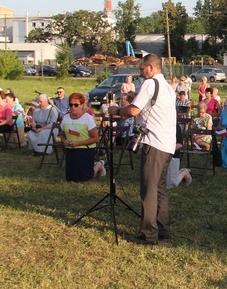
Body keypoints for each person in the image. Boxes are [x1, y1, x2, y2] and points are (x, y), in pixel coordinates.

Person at [110, 54, 176, 245]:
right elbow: (153, 108)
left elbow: (132, 111)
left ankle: (149, 234)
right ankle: (162, 228)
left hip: (154, 142)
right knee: (160, 188)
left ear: (150, 68)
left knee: (148, 189)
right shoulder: (168, 88)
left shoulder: (149, 83)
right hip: (167, 144)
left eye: (141, 69)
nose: (140, 72)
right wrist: (135, 98)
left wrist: (116, 111)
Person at [60, 92, 105, 181]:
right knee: (70, 177)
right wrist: (64, 141)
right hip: (71, 149)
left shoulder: (87, 118)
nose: (73, 107)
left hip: (85, 148)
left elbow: (95, 138)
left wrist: (78, 143)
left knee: (85, 177)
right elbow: (62, 134)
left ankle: (98, 165)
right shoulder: (66, 118)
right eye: (71, 104)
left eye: (76, 105)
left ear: (82, 105)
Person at [166, 123, 191, 190]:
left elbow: (179, 144)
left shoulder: (175, 126)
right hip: (159, 156)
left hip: (172, 156)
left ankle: (184, 172)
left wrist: (167, 151)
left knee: (171, 184)